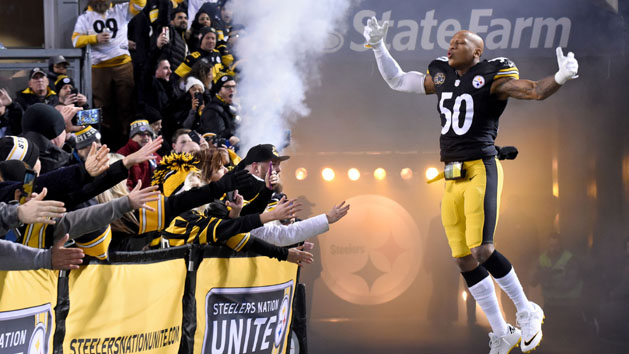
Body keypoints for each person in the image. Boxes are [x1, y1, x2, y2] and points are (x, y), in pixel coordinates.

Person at [363, 18, 579, 354]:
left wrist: (561, 77)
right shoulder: (442, 75)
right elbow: (396, 80)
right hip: (451, 175)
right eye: (450, 41)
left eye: (459, 42)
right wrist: (378, 47)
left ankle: (526, 310)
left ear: (477, 51)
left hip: (481, 168)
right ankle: (502, 331)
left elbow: (534, 90)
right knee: (462, 258)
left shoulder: (492, 76)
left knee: (482, 250)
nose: (450, 46)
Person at [72, 0, 145, 149]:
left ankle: (128, 141)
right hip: (98, 66)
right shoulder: (85, 17)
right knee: (103, 107)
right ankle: (107, 142)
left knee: (126, 104)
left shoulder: (121, 10)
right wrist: (94, 38)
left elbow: (140, 4)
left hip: (122, 63)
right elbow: (76, 40)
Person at [117, 120, 162, 190]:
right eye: (141, 134)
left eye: (149, 134)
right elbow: (123, 185)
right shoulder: (122, 155)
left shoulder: (156, 156)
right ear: (132, 137)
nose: (146, 137)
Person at [197, 74, 239, 145]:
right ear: (219, 91)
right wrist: (238, 123)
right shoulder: (212, 110)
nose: (232, 90)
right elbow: (216, 137)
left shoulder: (232, 106)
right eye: (227, 87)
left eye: (234, 87)